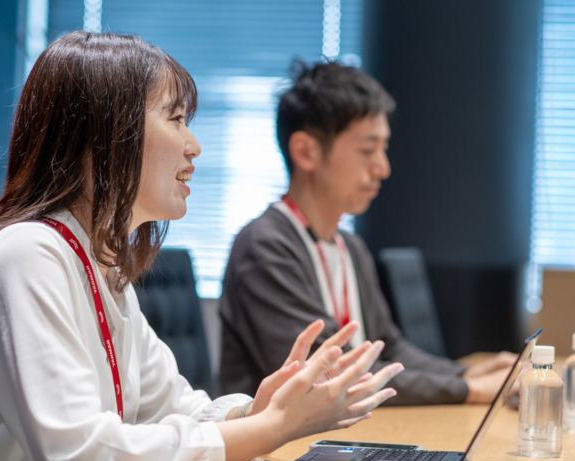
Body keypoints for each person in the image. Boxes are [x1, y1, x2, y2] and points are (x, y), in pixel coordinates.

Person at [0, 32, 404, 461]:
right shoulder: (28, 253)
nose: (194, 146)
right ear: (104, 132)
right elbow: (80, 458)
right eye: (176, 118)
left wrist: (259, 410)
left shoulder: (101, 267)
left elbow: (174, 409)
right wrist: (272, 428)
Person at [219, 60, 517, 405]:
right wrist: (473, 390)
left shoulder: (350, 247)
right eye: (366, 150)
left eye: (383, 148)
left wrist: (465, 374)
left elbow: (389, 348)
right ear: (306, 152)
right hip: (277, 452)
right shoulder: (266, 246)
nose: (382, 168)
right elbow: (332, 373)